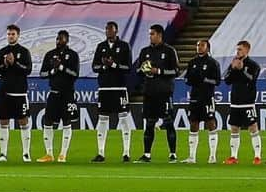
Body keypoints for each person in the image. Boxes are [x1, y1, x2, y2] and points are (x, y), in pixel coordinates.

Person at [135, 24, 180, 162]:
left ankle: (173, 154)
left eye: (152, 34)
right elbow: (137, 70)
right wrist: (143, 70)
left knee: (168, 122)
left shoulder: (169, 51)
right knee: (149, 123)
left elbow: (176, 71)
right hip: (149, 92)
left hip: (164, 92)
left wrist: (158, 71)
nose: (150, 36)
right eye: (149, 34)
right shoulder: (145, 51)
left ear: (160, 35)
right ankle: (147, 154)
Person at [91, 20, 134, 162]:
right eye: (106, 29)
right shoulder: (101, 46)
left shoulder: (124, 46)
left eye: (110, 29)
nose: (108, 31)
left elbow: (128, 68)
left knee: (123, 118)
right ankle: (101, 152)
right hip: (104, 88)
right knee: (102, 118)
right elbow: (94, 67)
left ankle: (126, 152)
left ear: (116, 31)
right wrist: (104, 67)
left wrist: (113, 65)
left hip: (119, 88)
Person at [0, 24, 33, 163]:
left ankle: (26, 153)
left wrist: (14, 63)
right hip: (4, 92)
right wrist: (4, 65)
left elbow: (27, 70)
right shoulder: (1, 51)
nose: (10, 36)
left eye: (13, 34)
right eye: (9, 34)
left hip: (19, 93)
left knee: (23, 121)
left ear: (18, 35)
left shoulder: (24, 51)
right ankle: (3, 154)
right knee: (3, 121)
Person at [38, 30, 80, 163]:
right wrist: (53, 70)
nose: (58, 41)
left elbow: (75, 74)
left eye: (61, 38)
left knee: (67, 122)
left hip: (68, 93)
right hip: (54, 92)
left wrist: (61, 67)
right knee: (48, 122)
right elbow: (42, 74)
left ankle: (63, 154)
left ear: (67, 40)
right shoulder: (50, 54)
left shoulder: (73, 55)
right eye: (57, 38)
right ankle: (49, 154)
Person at [182, 39, 221, 164]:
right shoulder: (192, 62)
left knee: (210, 124)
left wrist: (205, 79)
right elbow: (186, 79)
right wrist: (189, 80)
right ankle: (192, 156)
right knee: (193, 124)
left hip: (207, 97)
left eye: (202, 45)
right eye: (198, 45)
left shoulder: (213, 63)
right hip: (194, 97)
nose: (199, 47)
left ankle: (212, 156)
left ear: (208, 48)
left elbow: (217, 81)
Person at [223, 39, 262, 164]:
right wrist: (234, 69)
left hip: (248, 102)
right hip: (235, 102)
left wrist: (241, 69)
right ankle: (233, 156)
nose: (237, 51)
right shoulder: (233, 63)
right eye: (237, 49)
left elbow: (251, 79)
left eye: (240, 49)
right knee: (234, 128)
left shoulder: (253, 65)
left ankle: (257, 156)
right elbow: (227, 80)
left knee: (253, 128)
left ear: (247, 50)